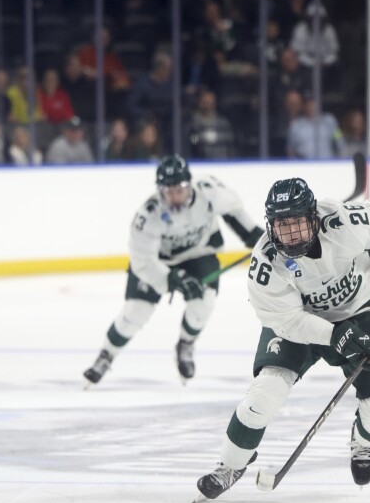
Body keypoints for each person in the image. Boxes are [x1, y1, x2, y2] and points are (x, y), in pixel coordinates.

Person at [195, 178, 370, 500]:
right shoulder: (266, 266)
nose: (290, 235)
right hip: (301, 322)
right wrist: (334, 336)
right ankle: (230, 465)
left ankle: (362, 440)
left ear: (314, 217)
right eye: (281, 226)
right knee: (264, 395)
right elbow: (287, 321)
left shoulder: (348, 224)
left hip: (362, 310)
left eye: (297, 224)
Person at [83, 154, 264, 387]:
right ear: (160, 190)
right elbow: (143, 262)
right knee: (135, 312)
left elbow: (235, 213)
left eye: (180, 189)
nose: (175, 196)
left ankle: (186, 345)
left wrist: (257, 238)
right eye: (168, 191)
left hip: (199, 255)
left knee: (204, 302)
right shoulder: (148, 215)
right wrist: (172, 279)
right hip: (160, 262)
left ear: (189, 185)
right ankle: (106, 355)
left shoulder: (209, 192)